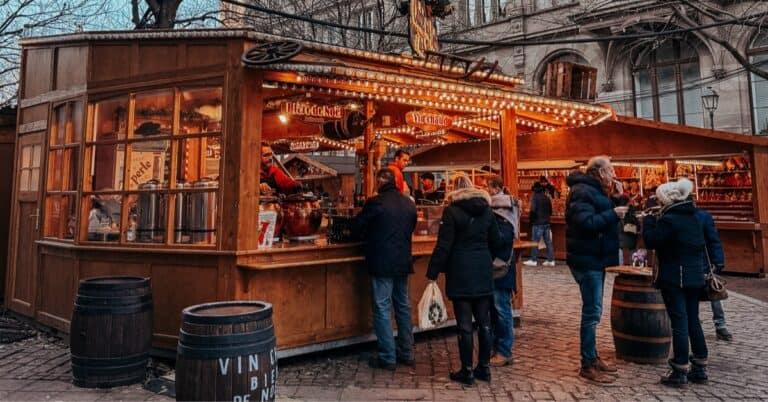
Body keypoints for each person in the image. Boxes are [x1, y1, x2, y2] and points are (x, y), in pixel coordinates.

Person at [426, 177, 502, 386]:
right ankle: (484, 368)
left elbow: (444, 245)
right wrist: (485, 255)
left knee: (465, 324)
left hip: (460, 270)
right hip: (482, 269)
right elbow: (497, 240)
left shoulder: (451, 211)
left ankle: (467, 370)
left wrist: (432, 272)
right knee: (484, 322)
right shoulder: (486, 210)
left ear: (453, 190)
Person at [643, 179, 708, 388]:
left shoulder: (669, 220)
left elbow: (652, 241)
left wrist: (648, 222)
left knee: (679, 322)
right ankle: (700, 365)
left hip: (675, 276)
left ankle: (680, 368)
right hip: (694, 276)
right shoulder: (693, 217)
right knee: (693, 320)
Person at [565, 156, 623, 384]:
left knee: (594, 311)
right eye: (610, 171)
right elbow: (585, 223)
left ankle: (593, 356)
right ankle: (587, 363)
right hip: (586, 259)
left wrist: (616, 199)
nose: (613, 175)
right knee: (592, 312)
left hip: (594, 257)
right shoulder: (583, 191)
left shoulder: (594, 191)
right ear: (599, 173)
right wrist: (613, 213)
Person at [352, 168, 417, 371]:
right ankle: (407, 352)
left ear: (380, 181)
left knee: (382, 308)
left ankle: (387, 356)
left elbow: (358, 227)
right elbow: (411, 228)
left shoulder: (376, 203)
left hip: (381, 261)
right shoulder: (408, 203)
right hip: (402, 260)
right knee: (403, 307)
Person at [690, 196, 732, 342]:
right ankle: (713, 325)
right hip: (694, 262)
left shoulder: (703, 217)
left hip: (703, 261)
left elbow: (713, 240)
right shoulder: (700, 216)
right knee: (701, 294)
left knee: (713, 292)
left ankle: (720, 325)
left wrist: (717, 261)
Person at [487, 175, 517, 367]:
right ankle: (498, 349)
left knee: (501, 309)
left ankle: (504, 350)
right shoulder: (499, 210)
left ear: (495, 189)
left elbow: (502, 240)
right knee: (497, 309)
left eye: (487, 187)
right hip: (499, 265)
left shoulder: (503, 212)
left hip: (501, 266)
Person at [524, 182, 555, 267]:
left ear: (534, 189)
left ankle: (533, 260)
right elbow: (551, 211)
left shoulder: (535, 197)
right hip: (547, 223)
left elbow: (533, 211)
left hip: (537, 223)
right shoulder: (546, 197)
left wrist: (531, 222)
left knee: (535, 241)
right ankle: (551, 260)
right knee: (548, 242)